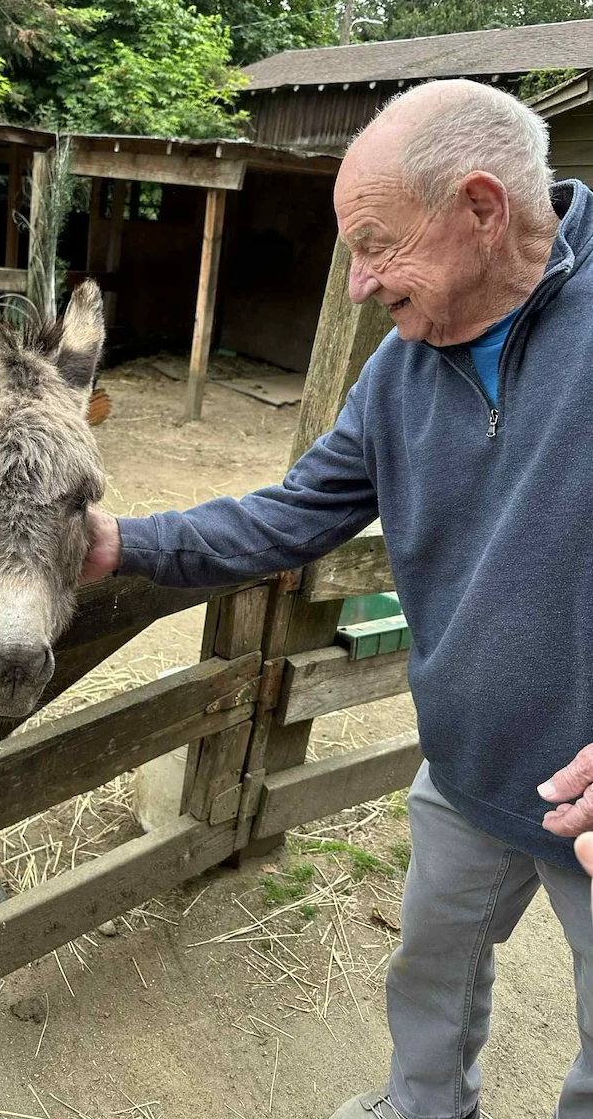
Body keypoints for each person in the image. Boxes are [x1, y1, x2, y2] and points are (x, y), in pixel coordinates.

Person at [81, 79, 593, 1119]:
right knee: (430, 981)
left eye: (374, 245)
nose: (357, 285)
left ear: (483, 210)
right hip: (469, 771)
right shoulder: (400, 375)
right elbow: (289, 515)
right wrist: (121, 542)